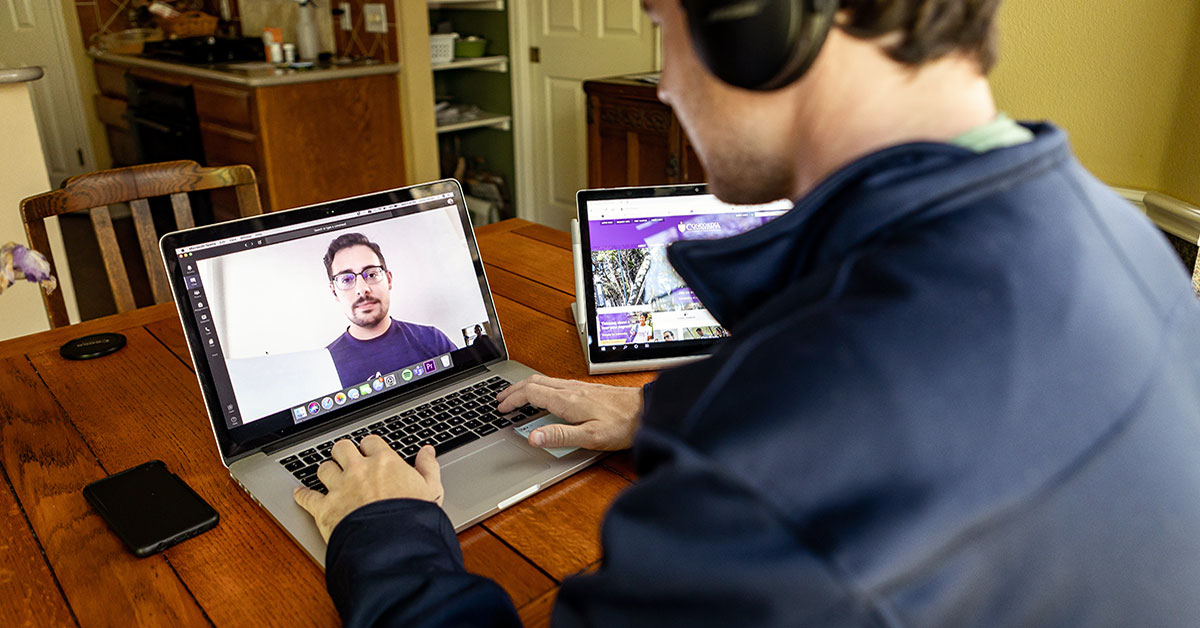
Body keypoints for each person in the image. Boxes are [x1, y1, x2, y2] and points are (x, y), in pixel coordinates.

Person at [294, 1, 1200, 625]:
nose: (662, 85)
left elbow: (835, 471)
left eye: (663, 28)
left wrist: (388, 536)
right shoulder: (1110, 230)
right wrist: (658, 418)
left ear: (756, 19)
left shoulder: (797, 455)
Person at [323, 233, 456, 388]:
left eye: (371, 274)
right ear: (334, 292)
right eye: (346, 279)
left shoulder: (432, 339)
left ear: (389, 280)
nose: (362, 289)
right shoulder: (325, 366)